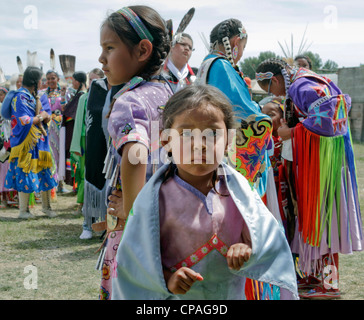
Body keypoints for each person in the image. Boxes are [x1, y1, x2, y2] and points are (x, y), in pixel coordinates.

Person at [111, 84, 298, 300]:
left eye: (212, 134)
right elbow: (135, 259)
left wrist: (247, 248)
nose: (199, 145)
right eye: (186, 134)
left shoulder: (241, 194)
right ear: (166, 141)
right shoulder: (153, 200)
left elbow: (268, 238)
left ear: (228, 140)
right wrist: (166, 279)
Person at [255, 58, 364, 299]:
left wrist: (290, 132)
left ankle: (329, 284)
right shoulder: (303, 82)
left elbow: (329, 121)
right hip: (314, 163)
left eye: (269, 89)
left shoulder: (302, 86)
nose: (273, 94)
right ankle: (314, 277)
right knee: (311, 221)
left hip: (323, 165)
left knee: (322, 221)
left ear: (274, 79)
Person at [97, 5, 173, 300]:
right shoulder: (170, 93)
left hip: (137, 232)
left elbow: (134, 153)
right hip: (171, 218)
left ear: (142, 50)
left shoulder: (129, 101)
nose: (102, 58)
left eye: (110, 47)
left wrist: (131, 212)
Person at [2, 66, 57, 218]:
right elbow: (24, 120)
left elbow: (48, 114)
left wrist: (45, 116)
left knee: (45, 172)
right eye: (41, 79)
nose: (43, 82)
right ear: (35, 81)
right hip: (25, 143)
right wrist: (40, 117)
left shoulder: (39, 96)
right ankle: (23, 211)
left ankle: (46, 207)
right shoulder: (20, 97)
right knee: (25, 173)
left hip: (40, 142)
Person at [69, 68, 105, 239]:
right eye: (90, 80)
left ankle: (105, 223)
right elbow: (78, 124)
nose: (92, 83)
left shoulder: (112, 94)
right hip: (87, 143)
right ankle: (87, 222)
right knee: (87, 177)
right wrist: (77, 145)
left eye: (95, 80)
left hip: (107, 145)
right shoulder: (85, 97)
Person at [62, 71, 87, 189]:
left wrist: (65, 113)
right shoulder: (79, 95)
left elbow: (70, 114)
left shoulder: (82, 96)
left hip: (75, 132)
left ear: (77, 81)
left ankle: (76, 185)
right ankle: (75, 185)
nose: (72, 83)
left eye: (73, 80)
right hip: (74, 130)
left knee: (76, 157)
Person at [40, 70, 64, 193]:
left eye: (53, 78)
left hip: (60, 127)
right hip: (46, 128)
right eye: (48, 79)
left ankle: (61, 183)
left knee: (61, 154)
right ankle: (51, 183)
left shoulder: (64, 93)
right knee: (50, 154)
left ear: (58, 79)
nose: (50, 81)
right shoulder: (42, 94)